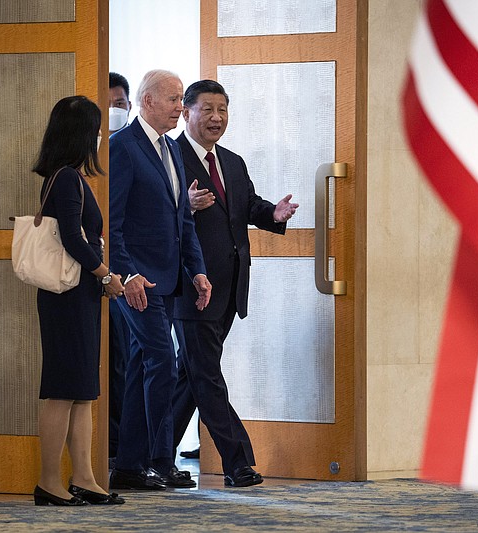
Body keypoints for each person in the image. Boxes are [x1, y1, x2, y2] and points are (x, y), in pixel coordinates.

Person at [171, 80, 298, 487]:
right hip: (191, 285)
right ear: (187, 112)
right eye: (207, 109)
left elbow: (244, 207)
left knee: (189, 378)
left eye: (222, 109)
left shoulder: (232, 160)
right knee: (205, 374)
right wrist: (182, 206)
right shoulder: (169, 157)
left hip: (229, 288)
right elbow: (149, 213)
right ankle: (237, 462)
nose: (216, 117)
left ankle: (142, 458)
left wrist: (272, 215)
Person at [108, 70, 212, 490]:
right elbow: (111, 224)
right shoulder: (123, 148)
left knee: (141, 367)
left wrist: (198, 269)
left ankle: (129, 467)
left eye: (182, 100)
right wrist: (126, 273)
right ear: (147, 101)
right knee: (163, 365)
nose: (180, 108)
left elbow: (182, 220)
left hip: (168, 280)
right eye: (174, 100)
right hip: (136, 281)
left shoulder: (171, 148)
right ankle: (160, 460)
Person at [31, 95, 126, 506]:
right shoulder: (67, 178)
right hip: (67, 297)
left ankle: (85, 477)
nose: (101, 136)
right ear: (83, 134)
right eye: (97, 129)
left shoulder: (68, 177)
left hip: (80, 296)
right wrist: (106, 275)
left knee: (84, 390)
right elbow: (73, 237)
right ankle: (49, 482)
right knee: (62, 390)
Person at [107, 72, 132, 464]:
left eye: (119, 104)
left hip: (132, 279)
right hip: (107, 275)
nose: (113, 111)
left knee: (129, 362)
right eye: (107, 103)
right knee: (113, 364)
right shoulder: (108, 152)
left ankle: (125, 451)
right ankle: (113, 450)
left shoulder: (133, 147)